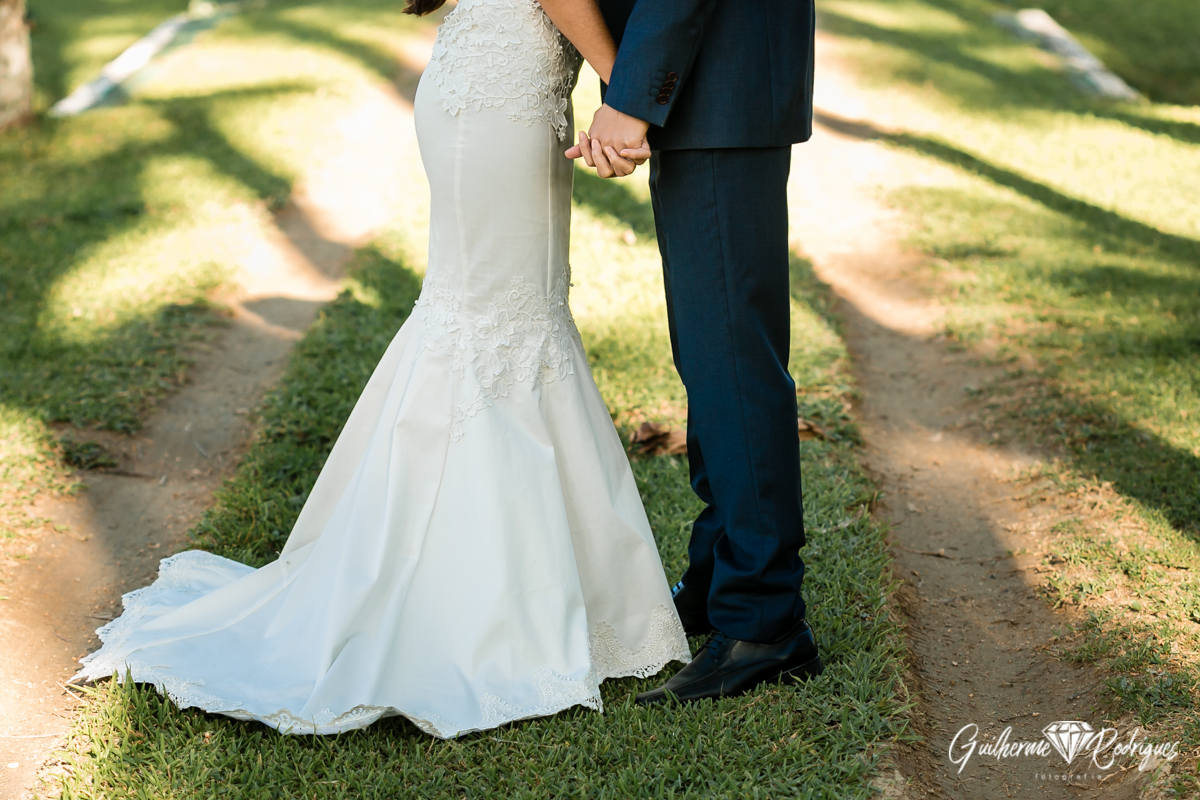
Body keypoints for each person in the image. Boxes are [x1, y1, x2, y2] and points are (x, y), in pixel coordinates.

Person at [72, 0, 691, 738]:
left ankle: (538, 592)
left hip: (507, 84)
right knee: (490, 326)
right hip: (499, 91)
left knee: (514, 322)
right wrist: (623, 84)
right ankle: (466, 606)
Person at [566, 0, 825, 703]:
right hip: (710, 86)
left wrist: (631, 96)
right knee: (712, 360)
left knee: (734, 363)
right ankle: (721, 580)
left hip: (718, 82)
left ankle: (764, 620)